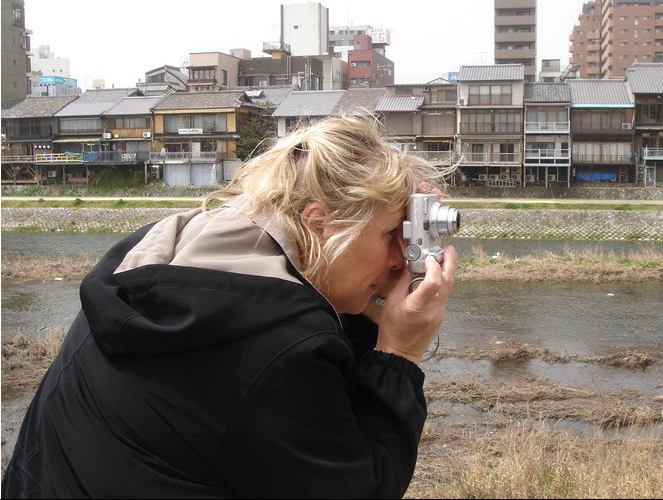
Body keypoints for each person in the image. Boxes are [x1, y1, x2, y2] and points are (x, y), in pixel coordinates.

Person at [2, 113, 458, 499]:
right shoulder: (277, 349)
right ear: (320, 223)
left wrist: (366, 306)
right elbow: (363, 485)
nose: (401, 258)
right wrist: (399, 352)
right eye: (388, 236)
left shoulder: (162, 256)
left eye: (406, 237)